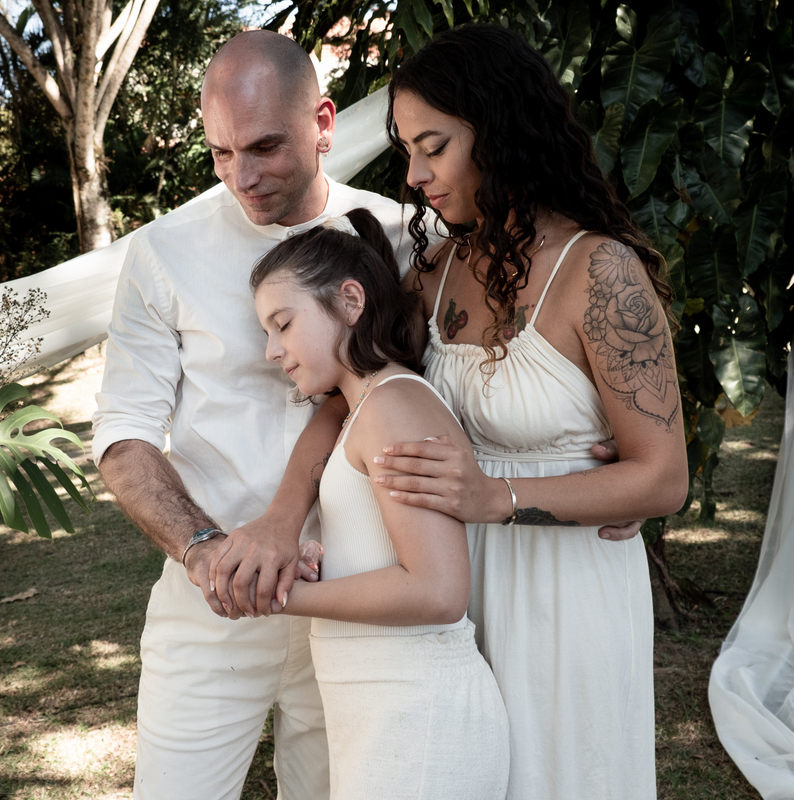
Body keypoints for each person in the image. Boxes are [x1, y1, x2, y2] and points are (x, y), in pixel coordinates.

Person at [91, 30, 424, 800]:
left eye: (265, 147)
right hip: (211, 606)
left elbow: (440, 387)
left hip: (359, 602)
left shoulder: (402, 240)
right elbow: (123, 438)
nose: (243, 176)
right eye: (220, 153)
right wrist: (205, 550)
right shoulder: (161, 253)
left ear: (324, 123)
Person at [373, 23, 688, 800]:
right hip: (458, 587)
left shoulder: (599, 271)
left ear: (500, 126)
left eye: (433, 146)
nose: (414, 175)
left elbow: (662, 479)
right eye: (407, 149)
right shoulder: (435, 271)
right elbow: (364, 389)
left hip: (569, 594)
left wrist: (497, 496)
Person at [249, 207, 510, 799]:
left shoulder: (393, 406)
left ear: (349, 300)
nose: (271, 350)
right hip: (383, 709)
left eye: (283, 324)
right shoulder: (364, 408)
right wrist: (325, 562)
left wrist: (285, 597)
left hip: (421, 721)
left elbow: (439, 591)